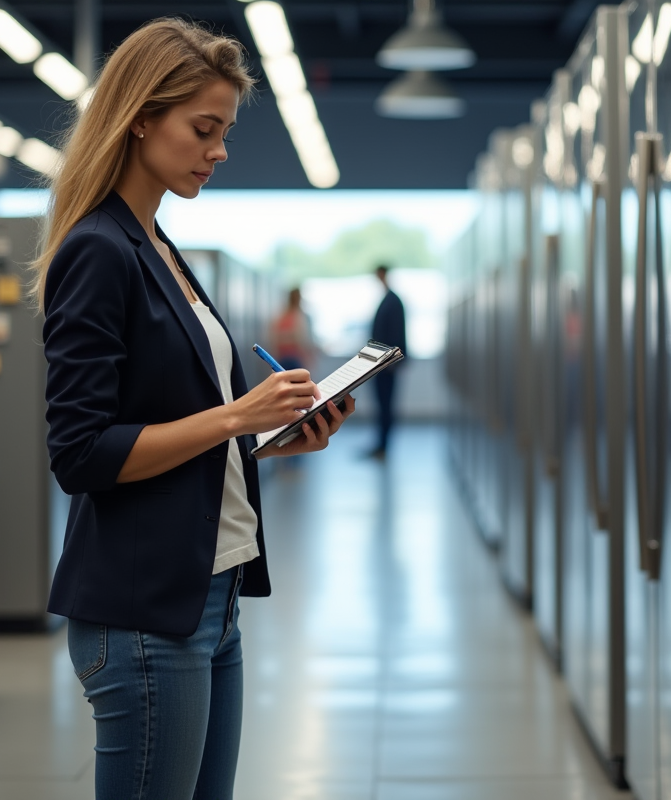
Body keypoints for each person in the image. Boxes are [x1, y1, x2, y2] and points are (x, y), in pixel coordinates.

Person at [30, 19, 354, 800]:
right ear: (142, 115)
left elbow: (175, 431)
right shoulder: (99, 249)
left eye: (224, 132)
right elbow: (81, 455)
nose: (219, 151)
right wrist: (237, 418)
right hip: (144, 612)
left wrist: (269, 443)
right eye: (203, 129)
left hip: (210, 592)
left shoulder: (159, 247)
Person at [368, 264, 407, 459]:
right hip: (380, 364)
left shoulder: (393, 301)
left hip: (387, 365)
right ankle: (381, 445)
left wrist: (393, 362)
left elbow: (397, 334)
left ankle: (384, 447)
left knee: (386, 405)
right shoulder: (387, 299)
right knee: (382, 405)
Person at [269, 286, 315, 371]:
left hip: (283, 357)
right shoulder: (297, 316)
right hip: (295, 357)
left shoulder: (281, 316)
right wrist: (307, 358)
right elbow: (300, 340)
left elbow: (274, 339)